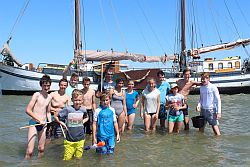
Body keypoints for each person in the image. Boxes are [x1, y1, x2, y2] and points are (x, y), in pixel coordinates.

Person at [54, 89, 89, 160]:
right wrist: (62, 123)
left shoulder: (83, 109)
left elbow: (87, 117)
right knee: (67, 159)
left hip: (81, 139)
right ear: (72, 100)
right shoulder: (68, 109)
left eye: (79, 100)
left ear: (82, 100)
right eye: (75, 100)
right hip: (69, 140)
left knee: (78, 159)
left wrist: (83, 121)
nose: (77, 102)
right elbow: (56, 116)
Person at [24, 74, 52, 159]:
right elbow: (28, 110)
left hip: (43, 124)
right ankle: (25, 162)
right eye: (44, 85)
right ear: (41, 85)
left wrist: (49, 122)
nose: (46, 87)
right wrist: (39, 119)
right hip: (34, 123)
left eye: (48, 85)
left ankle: (39, 164)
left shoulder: (50, 97)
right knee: (30, 151)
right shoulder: (36, 95)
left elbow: (48, 112)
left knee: (41, 149)